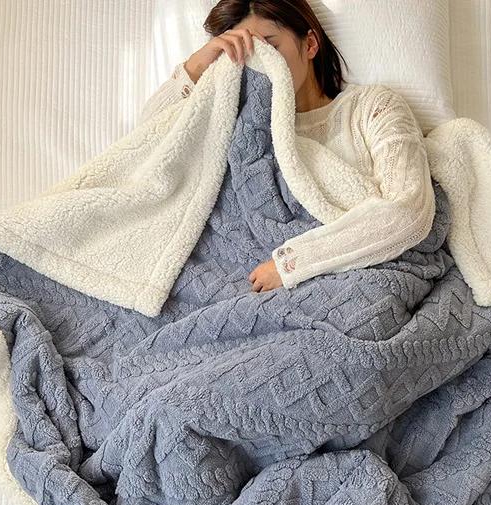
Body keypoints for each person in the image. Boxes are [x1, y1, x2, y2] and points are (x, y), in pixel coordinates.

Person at [138, 0, 436, 294]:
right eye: (248, 55)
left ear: (310, 45)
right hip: (243, 285)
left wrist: (291, 264)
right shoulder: (239, 126)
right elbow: (147, 147)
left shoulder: (371, 108)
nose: (262, 65)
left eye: (271, 48)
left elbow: (409, 210)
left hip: (349, 281)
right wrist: (196, 67)